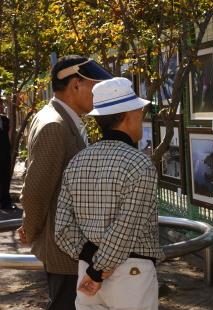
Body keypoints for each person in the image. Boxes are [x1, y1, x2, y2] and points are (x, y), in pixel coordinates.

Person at [55, 77, 164, 310]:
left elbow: (62, 227)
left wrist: (92, 261)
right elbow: (126, 227)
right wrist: (98, 271)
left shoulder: (77, 161)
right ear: (129, 115)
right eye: (140, 112)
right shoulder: (139, 164)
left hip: (87, 268)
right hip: (130, 272)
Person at [19, 55, 113, 310]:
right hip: (63, 249)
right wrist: (31, 229)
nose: (98, 94)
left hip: (70, 246)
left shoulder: (64, 118)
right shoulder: (55, 125)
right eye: (95, 86)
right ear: (75, 85)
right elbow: (36, 190)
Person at [0, 104, 14, 210]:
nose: (2, 106)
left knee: (5, 176)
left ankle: (6, 202)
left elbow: (8, 136)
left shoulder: (5, 120)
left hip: (5, 153)